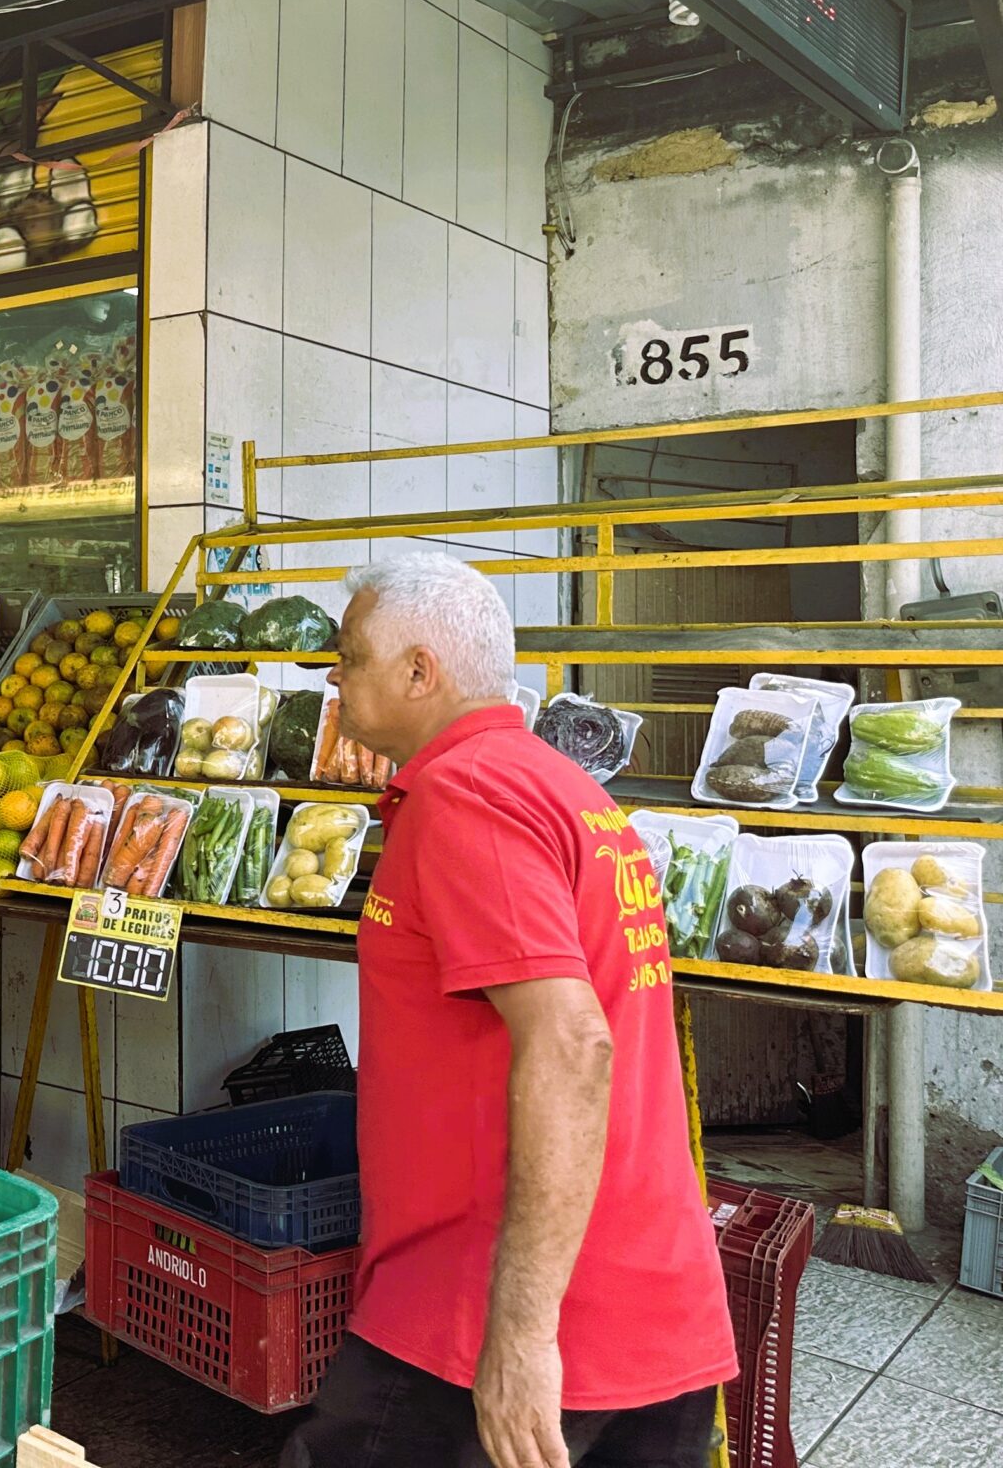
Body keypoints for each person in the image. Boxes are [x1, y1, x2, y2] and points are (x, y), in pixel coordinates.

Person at [283, 554, 733, 1468]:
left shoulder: (467, 795)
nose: (332, 675)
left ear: (420, 672)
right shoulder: (563, 787)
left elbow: (573, 1043)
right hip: (651, 1299)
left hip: (487, 1313)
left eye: (350, 654)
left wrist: (522, 1336)